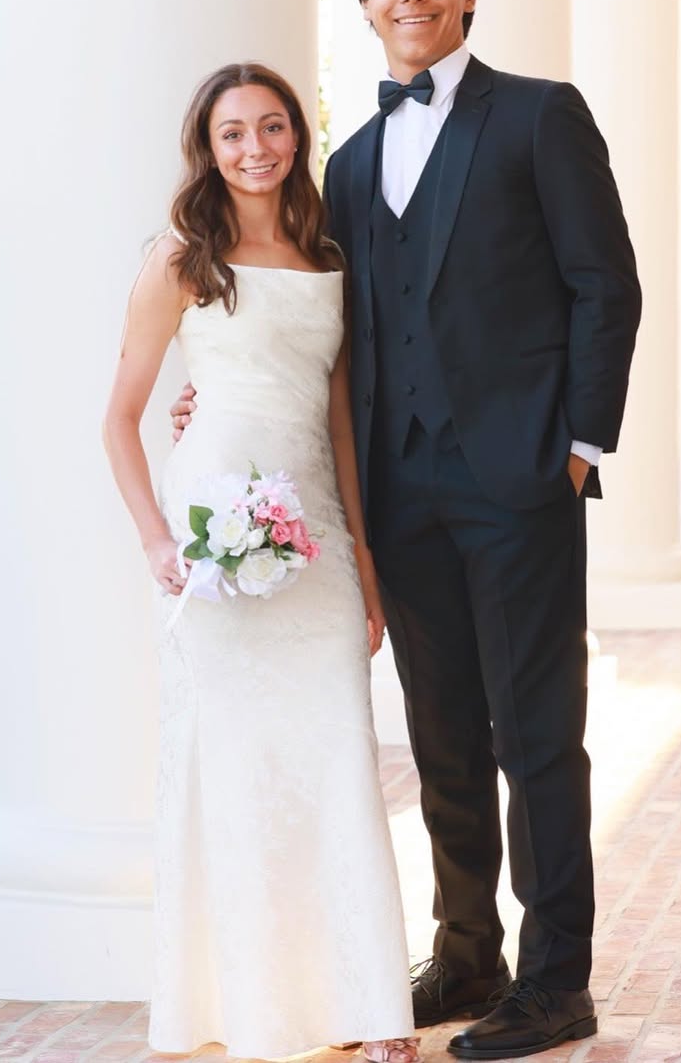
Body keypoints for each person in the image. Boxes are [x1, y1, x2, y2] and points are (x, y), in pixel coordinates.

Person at [173, 0, 642, 1058]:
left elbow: (606, 284)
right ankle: (468, 954)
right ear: (366, 2)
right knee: (441, 738)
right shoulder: (346, 164)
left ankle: (557, 982)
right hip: (397, 490)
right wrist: (222, 387)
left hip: (520, 480)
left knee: (538, 736)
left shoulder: (539, 114)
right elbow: (338, 328)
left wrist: (581, 446)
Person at [103, 62, 420, 1063]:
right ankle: (248, 1012)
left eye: (272, 126)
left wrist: (362, 560)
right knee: (233, 768)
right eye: (233, 132)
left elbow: (338, 418)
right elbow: (119, 417)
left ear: (297, 135)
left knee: (337, 758)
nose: (255, 148)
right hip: (212, 530)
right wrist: (158, 539)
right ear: (207, 147)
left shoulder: (329, 252)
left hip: (314, 526)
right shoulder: (180, 259)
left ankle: (371, 1010)